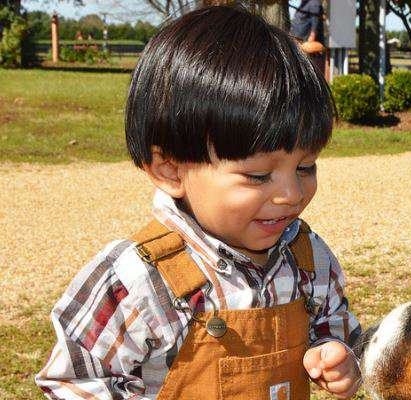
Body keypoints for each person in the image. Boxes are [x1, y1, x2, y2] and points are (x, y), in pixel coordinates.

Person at [35, 5, 362, 400]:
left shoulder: (309, 260)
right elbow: (71, 379)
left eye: (306, 167)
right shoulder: (138, 281)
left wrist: (338, 355)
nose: (291, 194)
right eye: (258, 176)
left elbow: (338, 325)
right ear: (171, 171)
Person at [290, 0, 326, 74]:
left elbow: (315, 25)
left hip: (309, 49)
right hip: (300, 46)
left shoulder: (314, 3)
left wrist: (310, 44)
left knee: (310, 73)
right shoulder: (303, 4)